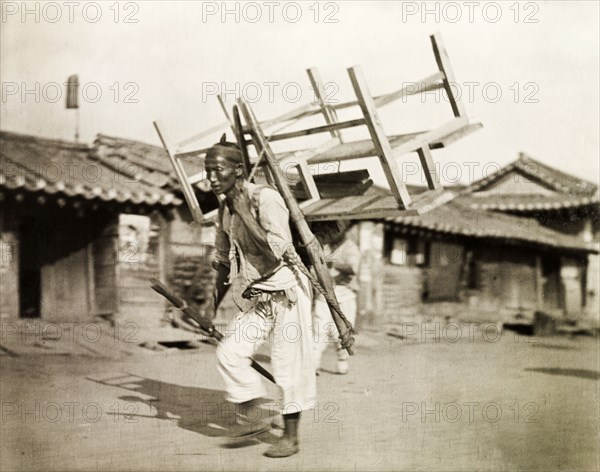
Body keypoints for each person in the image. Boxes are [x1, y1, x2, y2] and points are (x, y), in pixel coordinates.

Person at [206, 134, 315, 458]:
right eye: (207, 170)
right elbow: (224, 263)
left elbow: (279, 250)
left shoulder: (265, 199)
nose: (211, 177)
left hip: (288, 291)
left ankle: (291, 437)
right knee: (229, 352)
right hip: (258, 296)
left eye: (218, 169)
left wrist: (247, 215)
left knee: (288, 365)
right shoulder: (224, 212)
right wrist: (209, 306)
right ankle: (255, 415)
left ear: (239, 170)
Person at [311, 221, 359, 375]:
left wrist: (333, 264)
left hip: (344, 294)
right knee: (319, 329)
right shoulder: (324, 246)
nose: (336, 233)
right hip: (324, 294)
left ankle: (343, 360)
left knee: (343, 332)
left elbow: (353, 267)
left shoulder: (350, 246)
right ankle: (313, 364)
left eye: (339, 230)